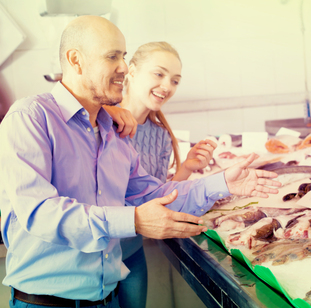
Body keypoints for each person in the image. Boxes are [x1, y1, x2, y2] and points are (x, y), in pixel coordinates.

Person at [0, 15, 281, 308]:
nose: (124, 66)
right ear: (76, 60)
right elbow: (39, 212)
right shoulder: (30, 117)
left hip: (106, 299)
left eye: (123, 55)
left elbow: (154, 195)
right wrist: (133, 220)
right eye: (112, 56)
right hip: (45, 304)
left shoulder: (115, 134)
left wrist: (222, 182)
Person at [103, 42, 218, 308]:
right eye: (159, 74)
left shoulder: (160, 135)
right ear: (131, 71)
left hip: (131, 253)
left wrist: (187, 168)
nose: (167, 85)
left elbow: (154, 196)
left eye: (175, 80)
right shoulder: (100, 122)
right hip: (95, 253)